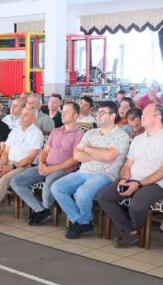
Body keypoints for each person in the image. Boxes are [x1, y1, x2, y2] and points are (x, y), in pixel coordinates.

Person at [96, 103, 163, 248]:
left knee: (135, 205)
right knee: (103, 196)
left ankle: (130, 232)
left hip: (156, 184)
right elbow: (127, 165)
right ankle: (131, 231)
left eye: (146, 113)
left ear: (158, 117)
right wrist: (124, 179)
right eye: (142, 114)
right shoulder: (138, 139)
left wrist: (139, 184)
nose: (142, 116)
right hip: (132, 179)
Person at [51, 101, 131, 238]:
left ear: (113, 115)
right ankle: (82, 221)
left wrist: (88, 149)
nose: (98, 115)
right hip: (83, 172)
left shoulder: (121, 135)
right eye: (97, 112)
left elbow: (109, 155)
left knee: (82, 193)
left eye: (102, 112)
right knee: (57, 187)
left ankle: (82, 222)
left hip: (105, 174)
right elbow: (77, 155)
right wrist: (100, 156)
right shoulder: (90, 133)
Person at [10, 102, 84, 226]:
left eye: (66, 111)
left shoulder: (79, 134)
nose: (63, 114)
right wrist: (41, 164)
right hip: (46, 166)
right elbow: (44, 151)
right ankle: (41, 210)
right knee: (16, 181)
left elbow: (75, 159)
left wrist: (52, 169)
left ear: (75, 115)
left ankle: (44, 208)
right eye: (63, 111)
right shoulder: (55, 131)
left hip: (64, 169)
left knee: (49, 183)